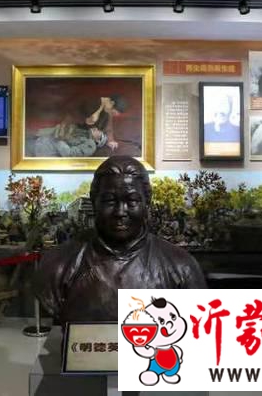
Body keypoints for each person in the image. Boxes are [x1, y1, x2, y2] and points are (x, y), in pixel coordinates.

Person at [33, 156, 207, 327]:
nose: (120, 212)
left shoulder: (181, 266)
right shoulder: (58, 264)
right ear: (94, 201)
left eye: (132, 201)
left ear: (146, 203)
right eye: (110, 201)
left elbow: (195, 328)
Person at [34, 125, 108, 157]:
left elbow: (69, 153)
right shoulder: (85, 133)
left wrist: (59, 139)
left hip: (44, 149)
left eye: (99, 132)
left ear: (98, 141)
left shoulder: (91, 145)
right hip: (40, 140)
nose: (96, 129)